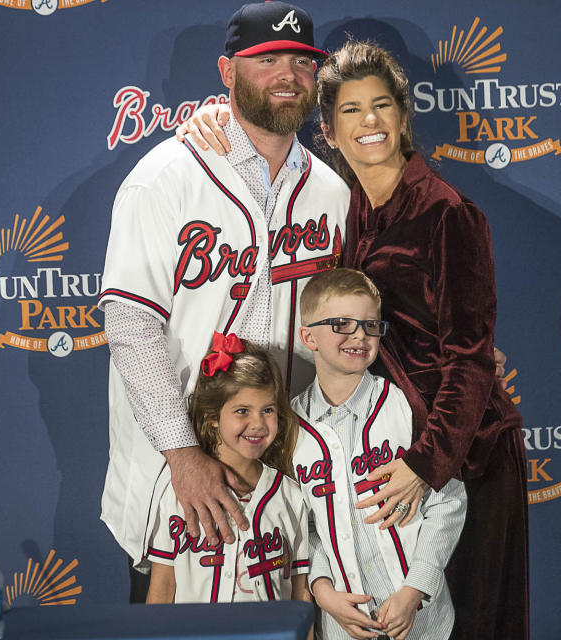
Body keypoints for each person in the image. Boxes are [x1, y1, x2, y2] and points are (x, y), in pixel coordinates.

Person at [179, 39, 527, 640]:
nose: (370, 121)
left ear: (402, 117)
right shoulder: (346, 210)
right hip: (376, 444)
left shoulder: (448, 214)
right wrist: (213, 113)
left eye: (382, 105)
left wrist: (426, 465)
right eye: (350, 110)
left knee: (467, 623)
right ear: (329, 131)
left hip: (460, 457)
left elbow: (471, 359)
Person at [98, 1, 349, 602]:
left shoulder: (332, 192)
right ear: (227, 72)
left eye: (301, 61)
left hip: (287, 477)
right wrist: (182, 453)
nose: (287, 74)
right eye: (266, 59)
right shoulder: (163, 178)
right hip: (176, 474)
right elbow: (131, 325)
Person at [292, 268, 466, 640]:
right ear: (308, 336)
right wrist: (323, 594)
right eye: (342, 324)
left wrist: (413, 590)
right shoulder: (290, 426)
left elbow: (448, 498)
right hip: (343, 623)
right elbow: (305, 527)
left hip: (422, 621)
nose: (359, 335)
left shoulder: (404, 403)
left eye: (371, 326)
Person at [146, 334, 311, 610]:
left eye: (267, 410)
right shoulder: (177, 493)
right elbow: (162, 589)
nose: (257, 423)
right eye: (242, 411)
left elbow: (300, 594)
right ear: (212, 418)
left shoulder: (291, 495)